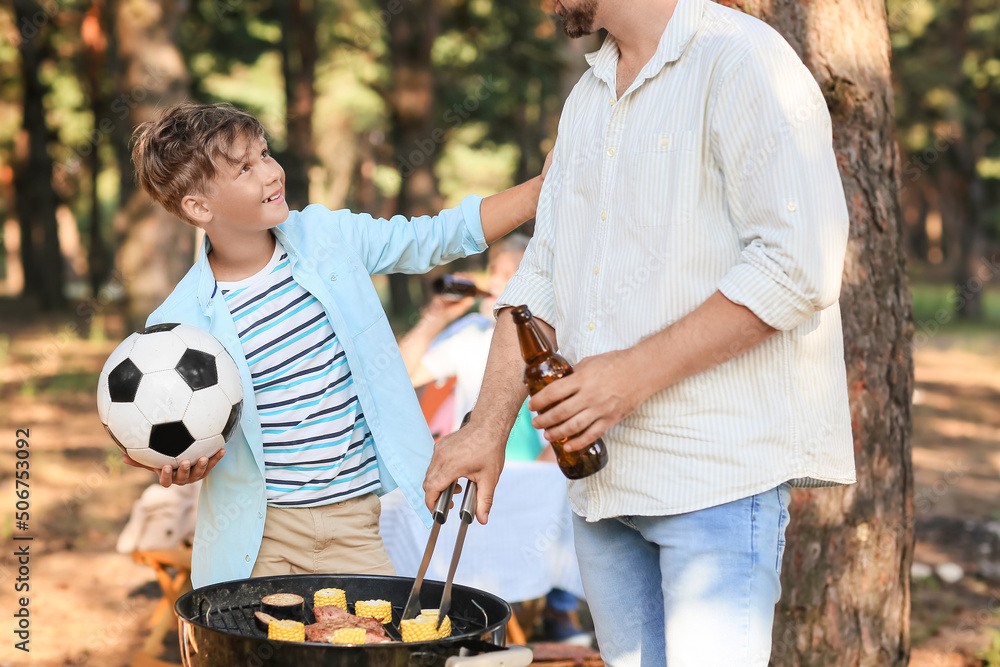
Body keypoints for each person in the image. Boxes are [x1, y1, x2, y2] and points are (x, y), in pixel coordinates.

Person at [423, 0, 855, 664]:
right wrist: (484, 427)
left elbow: (797, 266)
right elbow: (538, 282)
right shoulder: (587, 99)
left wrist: (627, 377)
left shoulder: (742, 60)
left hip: (714, 476)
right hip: (601, 488)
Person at [122, 103, 548, 588]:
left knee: (373, 655)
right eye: (245, 168)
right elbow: (146, 431)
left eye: (265, 153)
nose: (270, 172)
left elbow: (435, 237)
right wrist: (164, 461)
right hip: (258, 540)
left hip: (354, 524)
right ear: (199, 207)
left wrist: (540, 191)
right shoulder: (178, 325)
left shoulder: (326, 236)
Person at [398, 236, 588, 643]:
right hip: (484, 469)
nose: (497, 283)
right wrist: (434, 318)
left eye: (510, 275)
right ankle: (457, 608)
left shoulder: (564, 330)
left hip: (546, 467)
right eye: (496, 272)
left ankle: (559, 606)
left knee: (562, 496)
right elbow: (399, 376)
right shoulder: (472, 332)